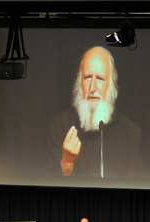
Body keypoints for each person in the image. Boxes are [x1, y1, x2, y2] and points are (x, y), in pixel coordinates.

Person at [51, 46, 142, 179]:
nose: (93, 87)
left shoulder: (130, 133)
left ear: (111, 84)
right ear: (79, 82)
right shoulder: (60, 127)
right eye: (87, 77)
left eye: (100, 79)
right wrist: (67, 163)